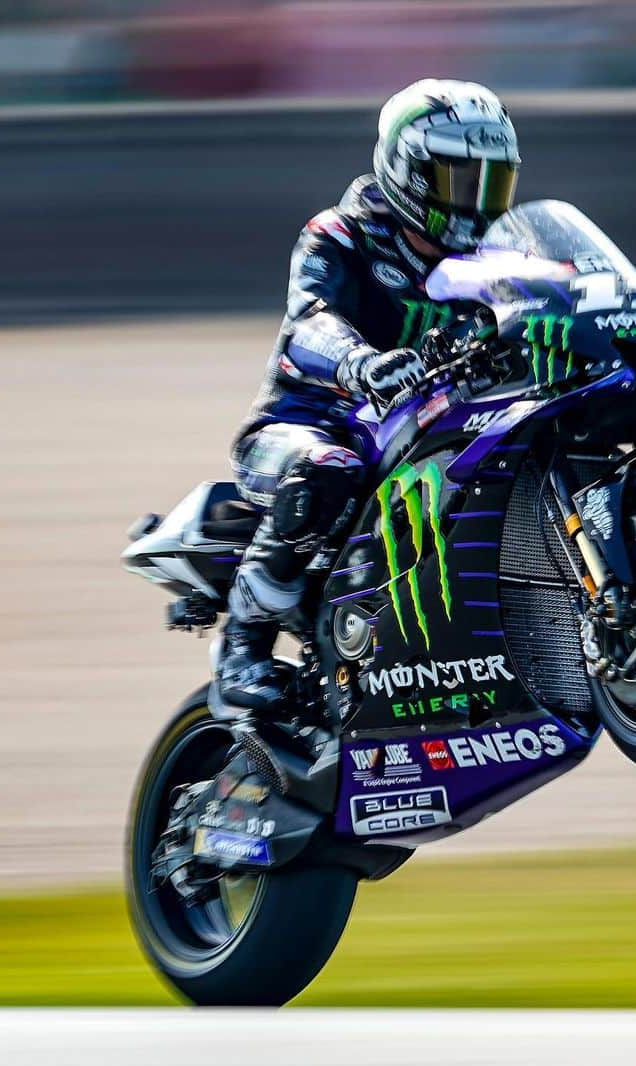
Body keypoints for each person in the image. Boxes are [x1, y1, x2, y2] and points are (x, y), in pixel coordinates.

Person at [215, 78, 521, 711]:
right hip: (306, 427)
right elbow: (307, 323)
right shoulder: (340, 235)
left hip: (419, 428)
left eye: (494, 183)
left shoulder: (492, 260)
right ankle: (242, 646)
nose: (478, 201)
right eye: (463, 181)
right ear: (410, 173)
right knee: (328, 468)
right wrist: (361, 363)